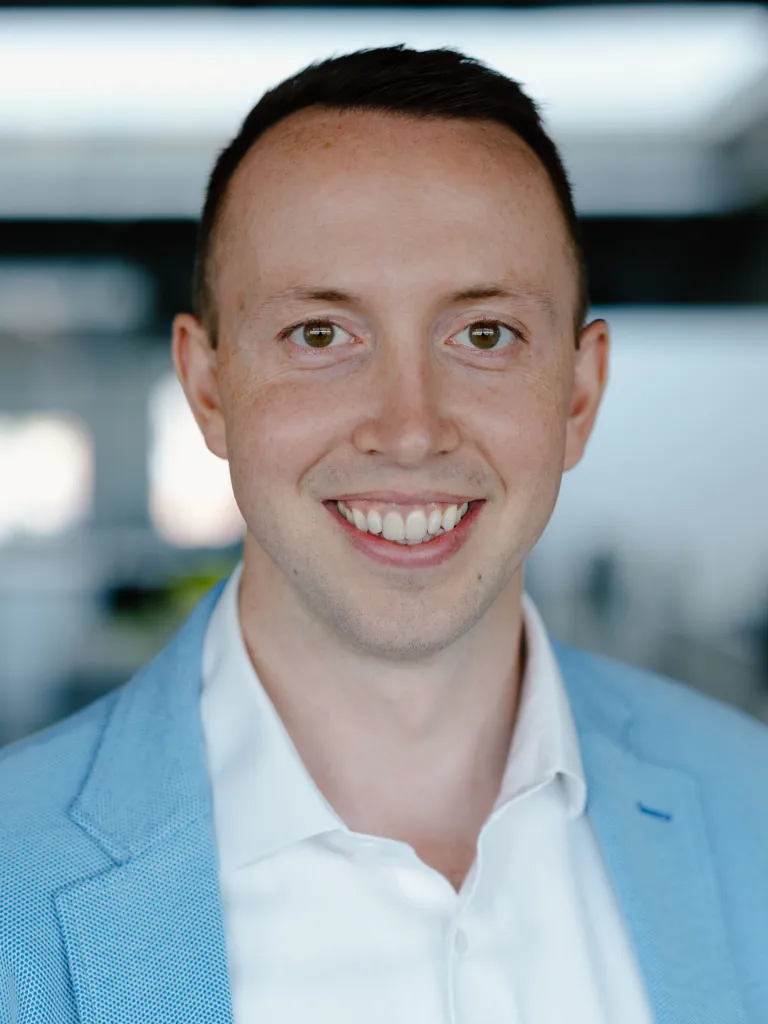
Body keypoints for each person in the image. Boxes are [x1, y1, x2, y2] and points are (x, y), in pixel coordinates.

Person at [1, 46, 767, 1024]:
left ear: (579, 394)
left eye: (484, 335)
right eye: (322, 335)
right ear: (207, 387)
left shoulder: (755, 812)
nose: (411, 428)